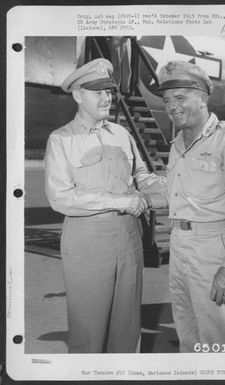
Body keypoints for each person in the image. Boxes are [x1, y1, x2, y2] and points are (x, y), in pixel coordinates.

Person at [44, 58, 166, 353]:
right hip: (88, 240)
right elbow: (60, 197)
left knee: (127, 329)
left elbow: (141, 177)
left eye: (109, 91)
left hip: (128, 238)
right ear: (77, 95)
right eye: (97, 92)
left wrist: (174, 183)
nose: (106, 98)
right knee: (88, 331)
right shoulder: (61, 140)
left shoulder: (122, 134)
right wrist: (121, 201)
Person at [157, 61, 225, 353]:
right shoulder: (177, 142)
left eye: (180, 98)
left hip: (214, 248)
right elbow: (179, 194)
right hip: (179, 245)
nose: (171, 107)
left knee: (221, 338)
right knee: (188, 333)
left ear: (202, 97)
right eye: (167, 100)